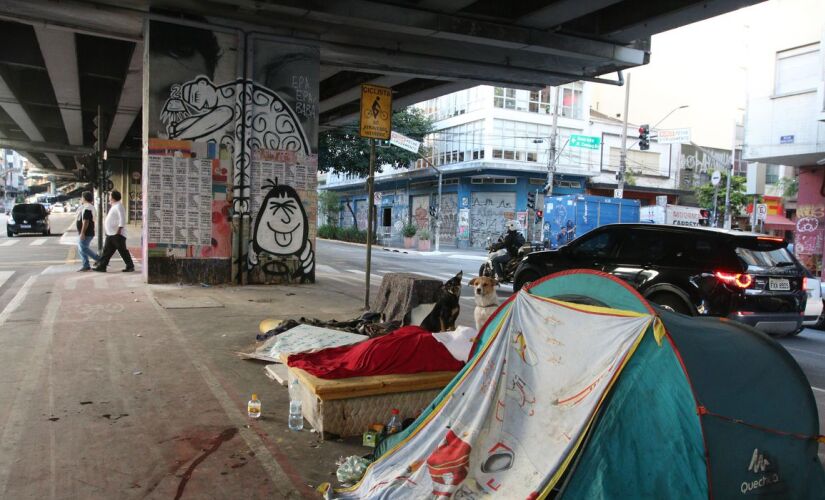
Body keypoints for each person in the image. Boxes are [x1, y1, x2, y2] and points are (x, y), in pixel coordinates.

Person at [93, 190, 135, 273]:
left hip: (117, 234)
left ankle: (130, 266)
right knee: (107, 251)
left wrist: (119, 230)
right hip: (111, 234)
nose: (109, 197)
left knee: (122, 251)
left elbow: (122, 219)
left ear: (113, 197)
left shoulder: (119, 206)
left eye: (110, 195)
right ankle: (102, 266)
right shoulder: (114, 205)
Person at [76, 191, 100, 272]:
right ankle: (86, 265)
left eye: (82, 197)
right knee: (81, 248)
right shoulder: (86, 207)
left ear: (85, 198)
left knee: (83, 248)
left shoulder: (88, 208)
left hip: (87, 232)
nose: (81, 199)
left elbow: (86, 221)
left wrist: (82, 233)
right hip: (86, 232)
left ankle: (99, 259)